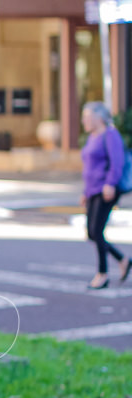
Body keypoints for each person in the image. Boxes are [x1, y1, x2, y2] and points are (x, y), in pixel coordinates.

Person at [80, 101, 130, 289]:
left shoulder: (110, 134)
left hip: (106, 190)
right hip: (93, 190)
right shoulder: (92, 137)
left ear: (99, 118)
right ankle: (123, 260)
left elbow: (117, 162)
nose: (84, 120)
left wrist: (110, 184)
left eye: (87, 116)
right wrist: (85, 192)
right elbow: (89, 167)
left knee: (97, 231)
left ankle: (102, 274)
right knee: (91, 233)